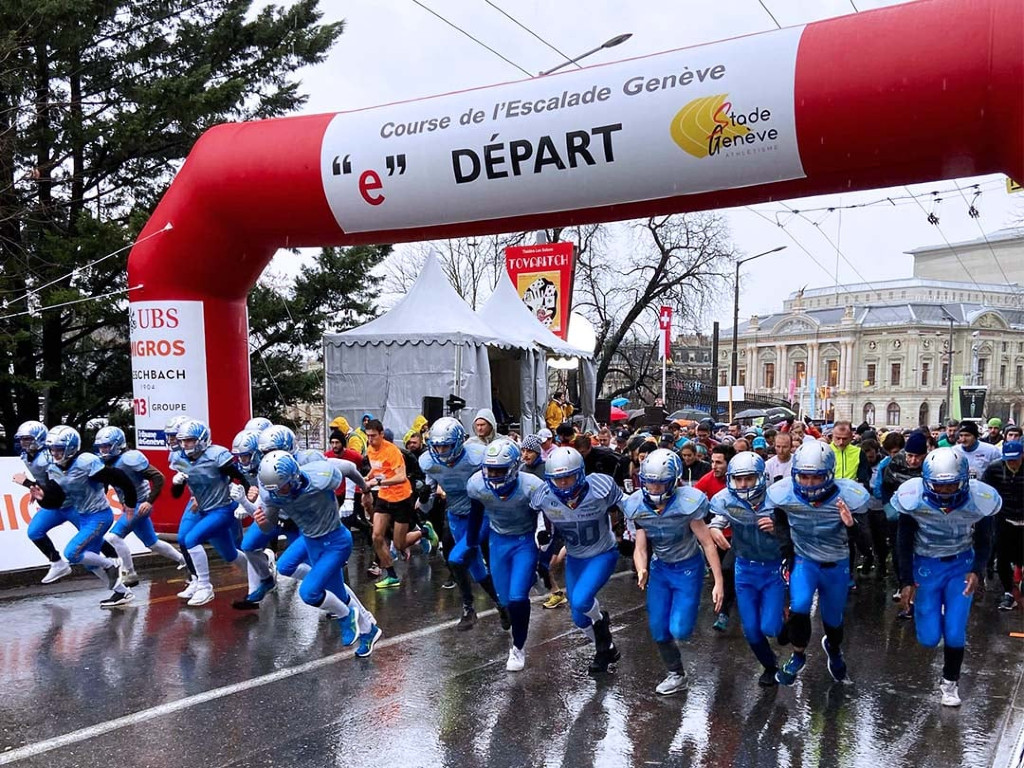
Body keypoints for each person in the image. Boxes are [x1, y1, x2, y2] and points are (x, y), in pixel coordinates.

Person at [893, 448, 999, 706]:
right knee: (928, 638)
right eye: (939, 486)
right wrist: (905, 581)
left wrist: (977, 570)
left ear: (964, 480)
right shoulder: (913, 498)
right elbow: (903, 542)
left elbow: (985, 539)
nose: (945, 492)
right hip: (926, 566)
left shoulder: (978, 499)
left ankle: (950, 683)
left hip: (960, 565)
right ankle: (938, 614)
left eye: (952, 485)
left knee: (954, 630)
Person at [256, 452, 383, 657]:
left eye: (283, 487)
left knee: (309, 592)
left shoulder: (320, 474)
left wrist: (364, 486)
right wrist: (262, 523)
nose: (280, 493)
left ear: (294, 477)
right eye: (275, 489)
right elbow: (268, 526)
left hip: (335, 541)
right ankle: (369, 630)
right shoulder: (273, 494)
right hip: (310, 540)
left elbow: (349, 468)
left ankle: (345, 615)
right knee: (329, 590)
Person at [769, 442, 869, 685]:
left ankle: (833, 648)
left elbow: (867, 544)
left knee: (833, 619)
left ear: (829, 474)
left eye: (816, 477)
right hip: (806, 561)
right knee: (800, 605)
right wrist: (787, 550)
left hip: (836, 564)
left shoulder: (848, 497)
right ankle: (798, 654)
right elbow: (780, 520)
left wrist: (851, 525)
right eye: (803, 476)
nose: (809, 483)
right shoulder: (785, 494)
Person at [626, 449, 724, 695]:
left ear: (673, 481)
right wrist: (641, 568)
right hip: (660, 568)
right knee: (659, 629)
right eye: (649, 482)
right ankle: (676, 674)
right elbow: (640, 546)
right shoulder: (638, 504)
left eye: (660, 483)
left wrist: (718, 581)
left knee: (680, 629)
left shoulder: (686, 502)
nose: (654, 489)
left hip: (688, 567)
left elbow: (707, 542)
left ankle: (686, 619)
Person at [533, 447, 624, 674]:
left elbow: (628, 506)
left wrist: (630, 535)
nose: (563, 483)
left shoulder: (599, 488)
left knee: (583, 601)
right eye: (558, 479)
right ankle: (606, 648)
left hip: (602, 553)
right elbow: (540, 528)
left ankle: (602, 625)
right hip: (575, 557)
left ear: (580, 473)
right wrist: (542, 540)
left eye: (568, 477)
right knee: (578, 618)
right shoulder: (545, 497)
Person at [35, 426, 138, 607]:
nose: (55, 453)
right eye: (52, 449)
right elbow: (56, 499)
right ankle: (122, 593)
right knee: (90, 562)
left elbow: (120, 478)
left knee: (72, 553)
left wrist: (130, 502)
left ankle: (111, 564)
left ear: (71, 447)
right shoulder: (54, 467)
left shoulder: (86, 461)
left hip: (99, 516)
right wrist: (42, 498)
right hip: (83, 515)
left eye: (59, 449)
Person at [709, 452, 788, 687]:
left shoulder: (777, 498)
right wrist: (714, 529)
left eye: (749, 479)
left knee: (770, 627)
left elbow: (797, 528)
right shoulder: (727, 499)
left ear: (760, 478)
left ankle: (786, 623)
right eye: (739, 479)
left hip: (773, 568)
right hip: (745, 569)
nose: (743, 485)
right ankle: (770, 666)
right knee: (751, 630)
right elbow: (717, 520)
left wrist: (778, 527)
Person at [466, 439, 545, 671]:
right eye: (489, 469)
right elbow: (476, 513)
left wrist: (543, 537)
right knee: (504, 601)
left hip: (524, 541)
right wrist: (471, 543)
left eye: (499, 470)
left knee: (518, 597)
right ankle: (529, 578)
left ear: (513, 468)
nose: (493, 474)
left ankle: (518, 648)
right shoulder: (477, 485)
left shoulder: (531, 485)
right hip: (498, 541)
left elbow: (544, 514)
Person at [420, 417, 507, 629]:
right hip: (456, 516)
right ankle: (501, 605)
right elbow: (426, 504)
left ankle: (469, 607)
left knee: (456, 559)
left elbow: (498, 481)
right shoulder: (429, 462)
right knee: (476, 568)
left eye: (445, 446)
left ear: (458, 443)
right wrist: (424, 496)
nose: (440, 451)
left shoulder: (476, 457)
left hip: (479, 515)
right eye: (437, 446)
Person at [170, 419, 251, 607]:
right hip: (202, 508)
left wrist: (243, 502)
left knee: (191, 539)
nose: (185, 445)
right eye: (182, 441)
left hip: (222, 508)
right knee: (228, 554)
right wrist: (176, 483)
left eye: (189, 440)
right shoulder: (180, 458)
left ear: (202, 439)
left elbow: (241, 477)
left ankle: (205, 587)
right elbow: (176, 495)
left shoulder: (216, 455)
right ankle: (262, 570)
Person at [95, 426, 185, 584]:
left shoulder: (130, 458)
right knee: (153, 543)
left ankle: (129, 572)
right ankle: (185, 561)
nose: (103, 450)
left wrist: (149, 501)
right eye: (101, 447)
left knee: (113, 537)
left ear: (117, 445)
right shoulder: (106, 462)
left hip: (139, 504)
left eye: (107, 446)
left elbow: (158, 477)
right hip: (129, 504)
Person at [13, 420, 77, 584]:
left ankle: (114, 559)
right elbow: (45, 483)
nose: (23, 443)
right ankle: (57, 562)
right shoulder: (28, 456)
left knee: (93, 536)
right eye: (21, 439)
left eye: (27, 438)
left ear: (38, 437)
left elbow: (55, 484)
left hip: (71, 502)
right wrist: (35, 488)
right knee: (34, 532)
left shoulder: (48, 457)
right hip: (54, 504)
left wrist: (28, 483)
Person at [363, 419, 422, 589]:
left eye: (374, 436)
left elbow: (400, 477)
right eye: (368, 436)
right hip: (384, 498)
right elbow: (377, 467)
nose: (370, 440)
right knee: (376, 536)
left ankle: (424, 531)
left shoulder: (392, 451)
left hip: (402, 498)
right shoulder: (370, 449)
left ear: (382, 434)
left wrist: (376, 483)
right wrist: (368, 476)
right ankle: (391, 575)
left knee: (399, 544)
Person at [981, 440, 1024, 611]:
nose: (1012, 463)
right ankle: (1008, 592)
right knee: (1003, 557)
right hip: (1003, 517)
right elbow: (985, 491)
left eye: (1016, 459)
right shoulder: (994, 468)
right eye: (1008, 459)